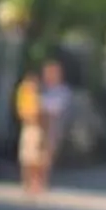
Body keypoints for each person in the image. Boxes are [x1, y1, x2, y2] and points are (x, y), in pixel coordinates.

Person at [16, 56, 73, 198]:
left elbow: (59, 108)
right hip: (33, 125)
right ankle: (28, 182)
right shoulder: (37, 88)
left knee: (44, 157)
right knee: (28, 156)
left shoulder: (62, 90)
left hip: (50, 127)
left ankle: (40, 182)